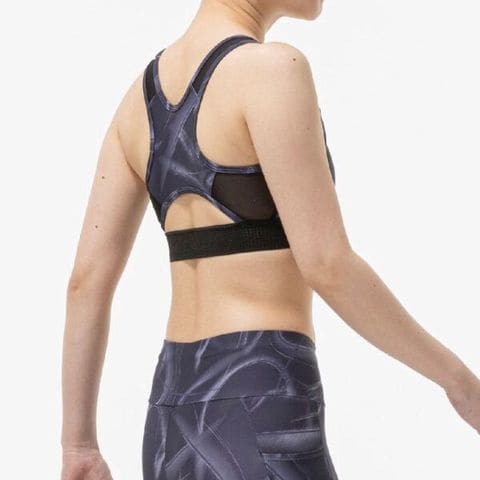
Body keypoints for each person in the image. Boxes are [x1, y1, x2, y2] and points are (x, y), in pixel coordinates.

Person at [61, 1, 480, 479]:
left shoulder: (138, 102)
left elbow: (86, 282)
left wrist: (79, 446)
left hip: (169, 418)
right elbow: (326, 263)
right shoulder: (272, 70)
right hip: (261, 394)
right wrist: (458, 381)